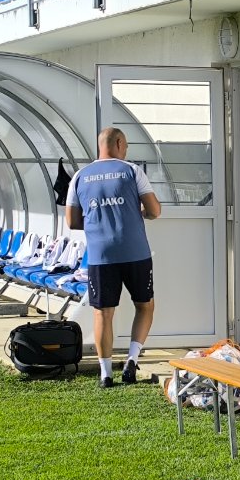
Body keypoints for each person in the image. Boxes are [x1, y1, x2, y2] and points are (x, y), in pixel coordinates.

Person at [65, 126, 160, 388]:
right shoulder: (131, 171)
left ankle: (105, 374)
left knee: (103, 313)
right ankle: (131, 359)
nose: (126, 150)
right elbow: (154, 210)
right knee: (145, 305)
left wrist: (98, 221)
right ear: (118, 143)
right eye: (126, 145)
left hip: (100, 255)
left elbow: (72, 221)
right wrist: (138, 213)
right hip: (135, 252)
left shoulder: (80, 176)